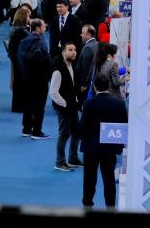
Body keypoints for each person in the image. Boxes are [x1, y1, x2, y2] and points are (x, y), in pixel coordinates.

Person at [79, 74, 128, 208]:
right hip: (109, 148)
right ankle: (110, 207)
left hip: (91, 148)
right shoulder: (119, 102)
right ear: (108, 86)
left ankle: (87, 204)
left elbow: (82, 127)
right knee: (109, 179)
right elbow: (125, 124)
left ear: (94, 87)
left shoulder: (88, 104)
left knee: (89, 179)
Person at [50, 42, 82, 172]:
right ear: (63, 52)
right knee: (64, 134)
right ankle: (60, 161)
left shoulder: (72, 66)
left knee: (76, 132)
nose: (73, 52)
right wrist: (65, 103)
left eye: (74, 49)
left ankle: (73, 158)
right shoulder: (58, 70)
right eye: (70, 50)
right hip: (63, 109)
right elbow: (53, 92)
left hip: (72, 107)